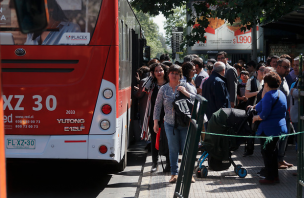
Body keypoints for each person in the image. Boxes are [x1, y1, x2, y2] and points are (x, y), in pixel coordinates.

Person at [153, 65, 197, 183]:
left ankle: (188, 174)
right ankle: (174, 174)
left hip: (184, 123)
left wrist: (185, 92)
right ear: (168, 75)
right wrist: (155, 122)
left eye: (177, 73)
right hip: (169, 123)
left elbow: (196, 99)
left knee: (185, 149)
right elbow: (157, 106)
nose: (174, 75)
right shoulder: (164, 89)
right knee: (173, 149)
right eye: (172, 73)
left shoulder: (186, 86)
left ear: (180, 75)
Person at [252, 72, 287, 184]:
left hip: (269, 129)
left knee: (267, 152)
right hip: (280, 128)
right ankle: (274, 176)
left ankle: (270, 177)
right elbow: (259, 106)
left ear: (266, 83)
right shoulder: (280, 93)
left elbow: (263, 114)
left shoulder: (268, 95)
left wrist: (255, 118)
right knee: (273, 152)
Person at [140, 63, 170, 172]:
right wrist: (151, 76)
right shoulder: (152, 85)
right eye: (156, 71)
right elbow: (144, 89)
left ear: (164, 71)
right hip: (154, 116)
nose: (159, 73)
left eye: (161, 70)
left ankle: (168, 163)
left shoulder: (169, 84)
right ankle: (154, 163)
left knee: (168, 140)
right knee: (153, 139)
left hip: (168, 115)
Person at [243, 63, 265, 157]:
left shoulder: (266, 82)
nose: (263, 72)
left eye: (265, 70)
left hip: (262, 108)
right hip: (251, 107)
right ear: (257, 71)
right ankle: (249, 149)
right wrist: (258, 93)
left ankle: (263, 150)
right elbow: (247, 95)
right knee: (250, 129)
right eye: (261, 70)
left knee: (261, 129)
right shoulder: (251, 81)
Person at [276, 58, 293, 169]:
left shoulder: (285, 78)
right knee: (278, 138)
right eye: (285, 67)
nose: (288, 69)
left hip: (286, 114)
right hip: (278, 114)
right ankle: (277, 160)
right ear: (278, 67)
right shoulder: (275, 79)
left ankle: (281, 159)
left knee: (285, 137)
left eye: (289, 67)